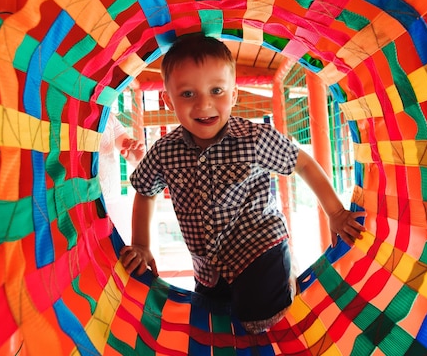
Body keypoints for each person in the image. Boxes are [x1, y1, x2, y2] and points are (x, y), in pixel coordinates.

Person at [120, 34, 365, 334]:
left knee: (260, 315)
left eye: (217, 90)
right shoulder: (163, 152)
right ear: (168, 100)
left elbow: (302, 162)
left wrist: (336, 213)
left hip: (260, 247)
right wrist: (142, 245)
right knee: (217, 324)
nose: (204, 104)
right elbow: (145, 192)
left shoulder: (254, 138)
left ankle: (284, 285)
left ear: (233, 95)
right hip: (208, 267)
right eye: (187, 94)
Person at [98, 113, 145, 241]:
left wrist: (136, 158)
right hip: (80, 198)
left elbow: (126, 145)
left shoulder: (108, 116)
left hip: (109, 198)